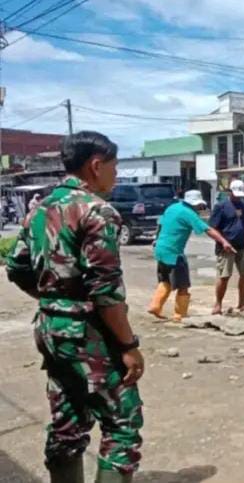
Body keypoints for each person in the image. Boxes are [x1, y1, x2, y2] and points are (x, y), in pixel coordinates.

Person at [6, 131, 144, 483]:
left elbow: (17, 267)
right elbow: (106, 293)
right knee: (122, 423)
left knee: (67, 419)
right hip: (89, 335)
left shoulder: (40, 209)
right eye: (114, 166)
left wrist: (54, 300)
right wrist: (128, 346)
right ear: (96, 166)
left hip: (51, 330)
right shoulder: (98, 212)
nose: (116, 174)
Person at [148, 189, 236, 322]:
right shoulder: (189, 214)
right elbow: (208, 229)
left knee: (165, 280)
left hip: (160, 248)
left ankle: (155, 306)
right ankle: (180, 315)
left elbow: (160, 224)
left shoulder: (173, 207)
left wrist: (157, 238)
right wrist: (224, 242)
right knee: (183, 285)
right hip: (174, 252)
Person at [210, 179, 244, 314]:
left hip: (242, 245)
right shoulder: (221, 206)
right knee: (224, 276)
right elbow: (213, 228)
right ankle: (218, 304)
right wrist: (223, 241)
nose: (238, 197)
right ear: (230, 192)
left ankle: (242, 302)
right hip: (226, 246)